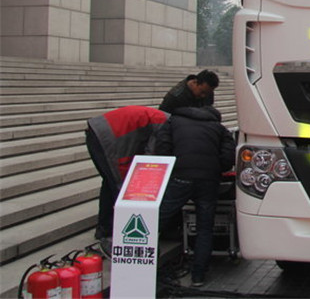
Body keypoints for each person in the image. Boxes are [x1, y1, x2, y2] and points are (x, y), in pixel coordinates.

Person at [155, 106, 235, 287]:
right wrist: (215, 169)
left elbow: (162, 148)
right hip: (208, 181)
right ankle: (198, 276)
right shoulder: (220, 129)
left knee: (156, 220)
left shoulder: (173, 122)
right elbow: (228, 159)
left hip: (179, 177)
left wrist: (174, 169)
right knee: (204, 228)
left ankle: (145, 264)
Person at [85, 106, 170, 255]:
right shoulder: (164, 124)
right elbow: (150, 155)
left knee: (109, 183)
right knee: (120, 187)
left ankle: (104, 229)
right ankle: (116, 235)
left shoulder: (163, 118)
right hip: (107, 137)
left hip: (98, 131)